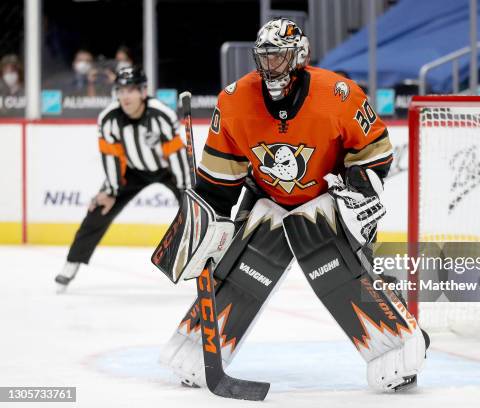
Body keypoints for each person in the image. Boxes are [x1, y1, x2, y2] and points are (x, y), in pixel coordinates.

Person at [156, 18, 429, 392]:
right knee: (245, 263)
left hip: (327, 199)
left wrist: (355, 189)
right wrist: (208, 227)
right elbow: (218, 180)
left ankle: (397, 347)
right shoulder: (234, 100)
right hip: (265, 197)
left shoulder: (339, 94)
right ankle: (199, 350)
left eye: (279, 57)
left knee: (330, 256)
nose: (271, 66)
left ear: (299, 56)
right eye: (264, 58)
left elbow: (376, 153)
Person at [55, 66, 190, 292]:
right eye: (121, 90)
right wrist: (110, 191)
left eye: (131, 90)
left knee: (194, 212)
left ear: (143, 92)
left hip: (169, 170)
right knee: (99, 209)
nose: (125, 96)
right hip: (133, 171)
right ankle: (72, 263)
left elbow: (176, 155)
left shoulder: (161, 114)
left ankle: (207, 264)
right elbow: (111, 156)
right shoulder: (108, 119)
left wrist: (187, 190)